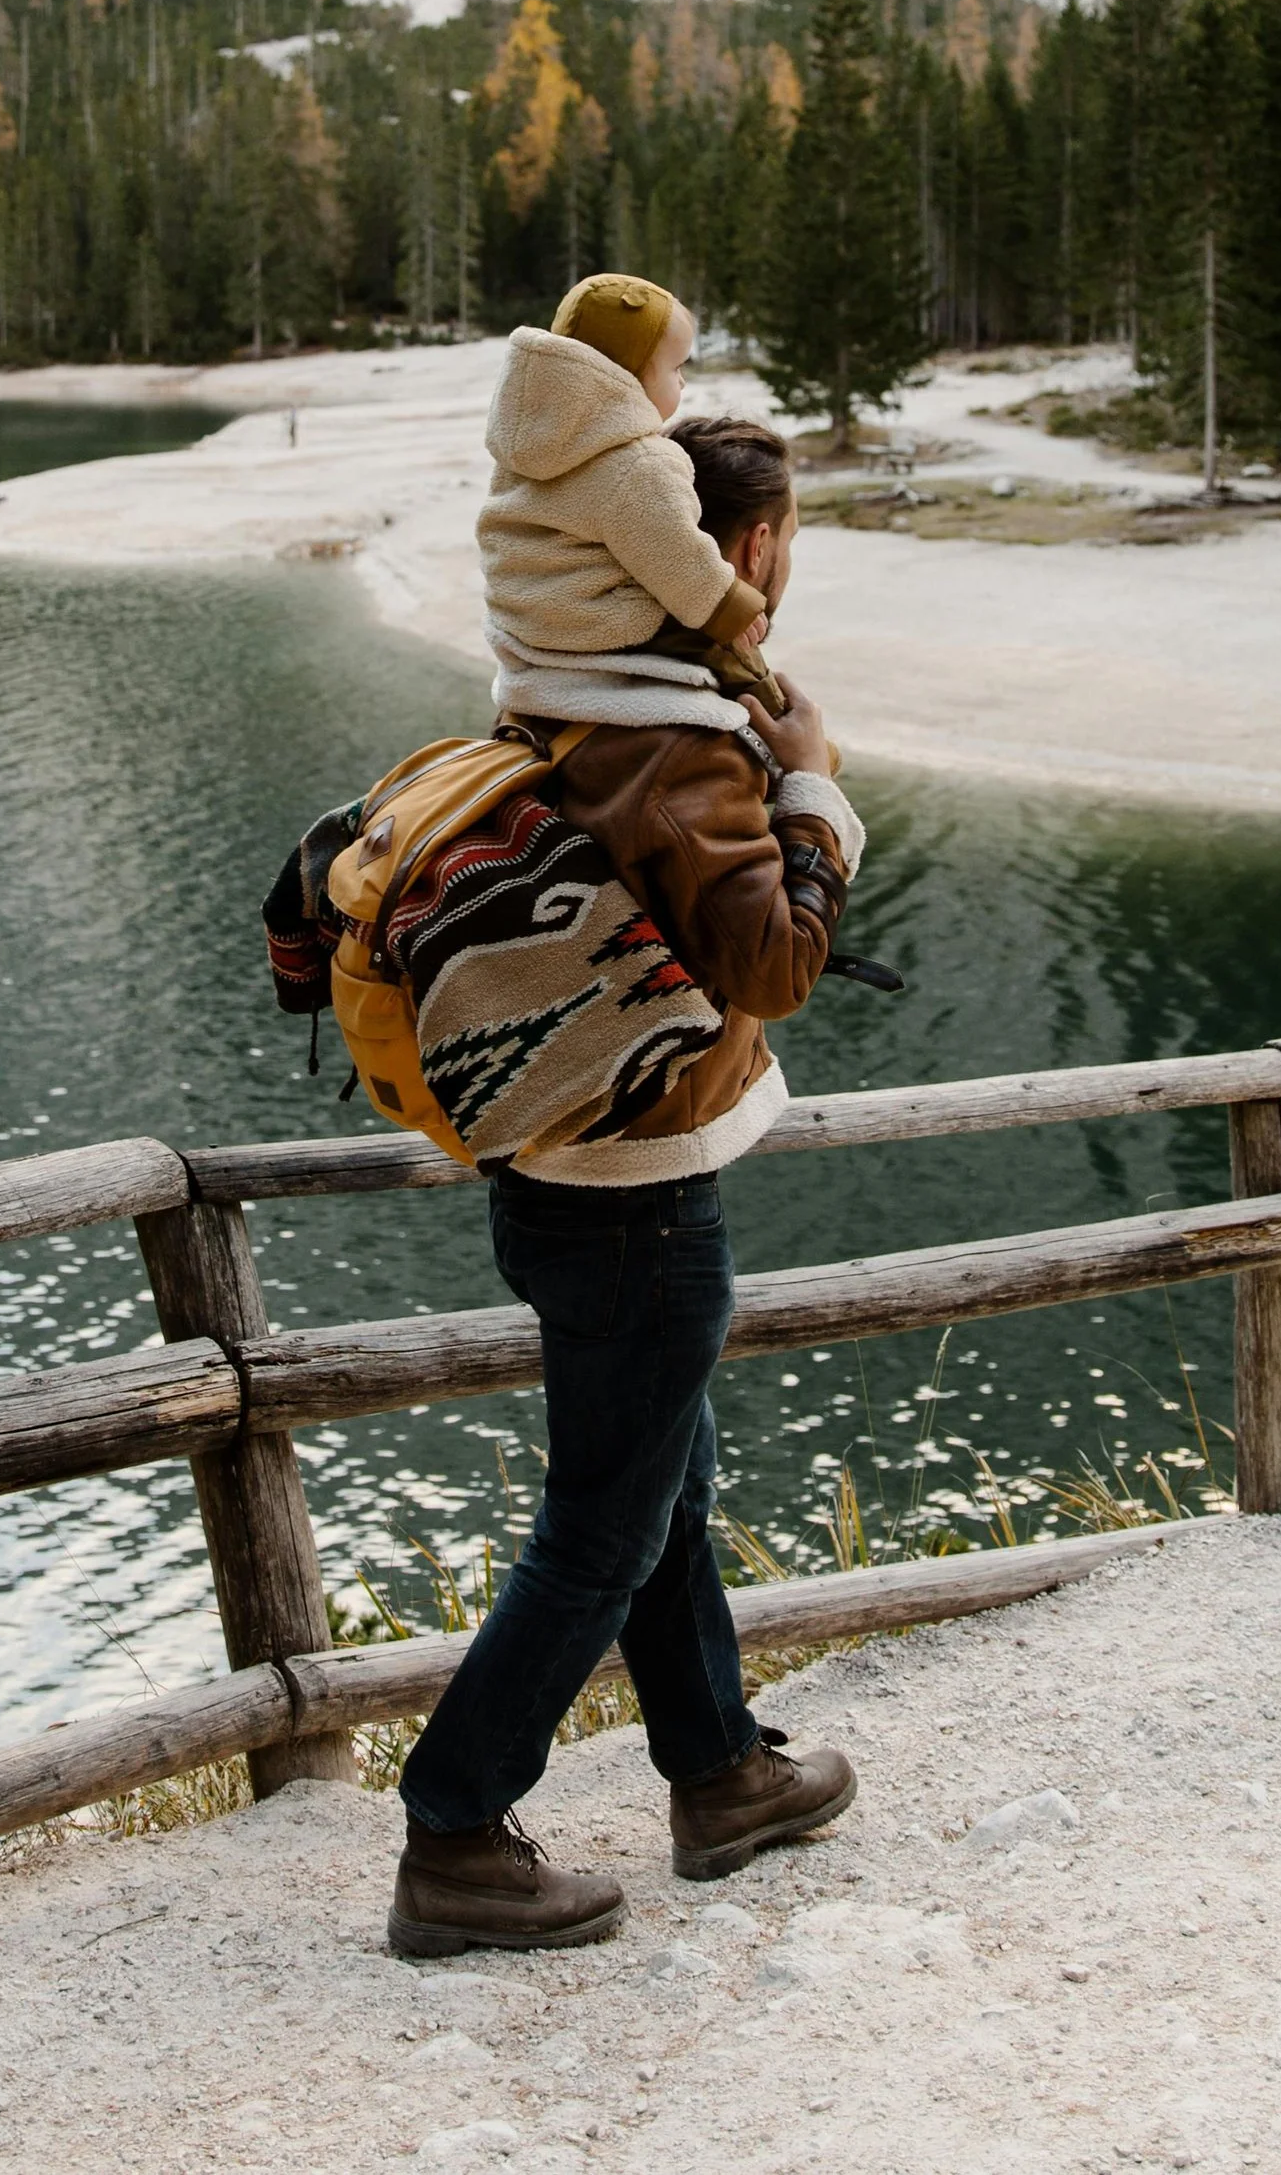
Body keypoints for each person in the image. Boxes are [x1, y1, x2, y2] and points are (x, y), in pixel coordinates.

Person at [389, 411, 861, 1958]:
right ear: (741, 548)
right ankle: (456, 1828)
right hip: (636, 1193)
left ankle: (719, 1769)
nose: (783, 571)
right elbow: (773, 963)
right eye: (780, 538)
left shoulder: (572, 686)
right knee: (602, 1519)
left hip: (566, 1167)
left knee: (666, 1486)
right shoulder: (677, 741)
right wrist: (816, 796)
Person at [478, 273, 770, 700]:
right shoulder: (637, 465)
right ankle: (780, 729)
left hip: (523, 620)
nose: (683, 382)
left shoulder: (528, 445)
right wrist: (730, 606)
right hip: (595, 623)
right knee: (730, 659)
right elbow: (673, 553)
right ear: (624, 381)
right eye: (676, 368)